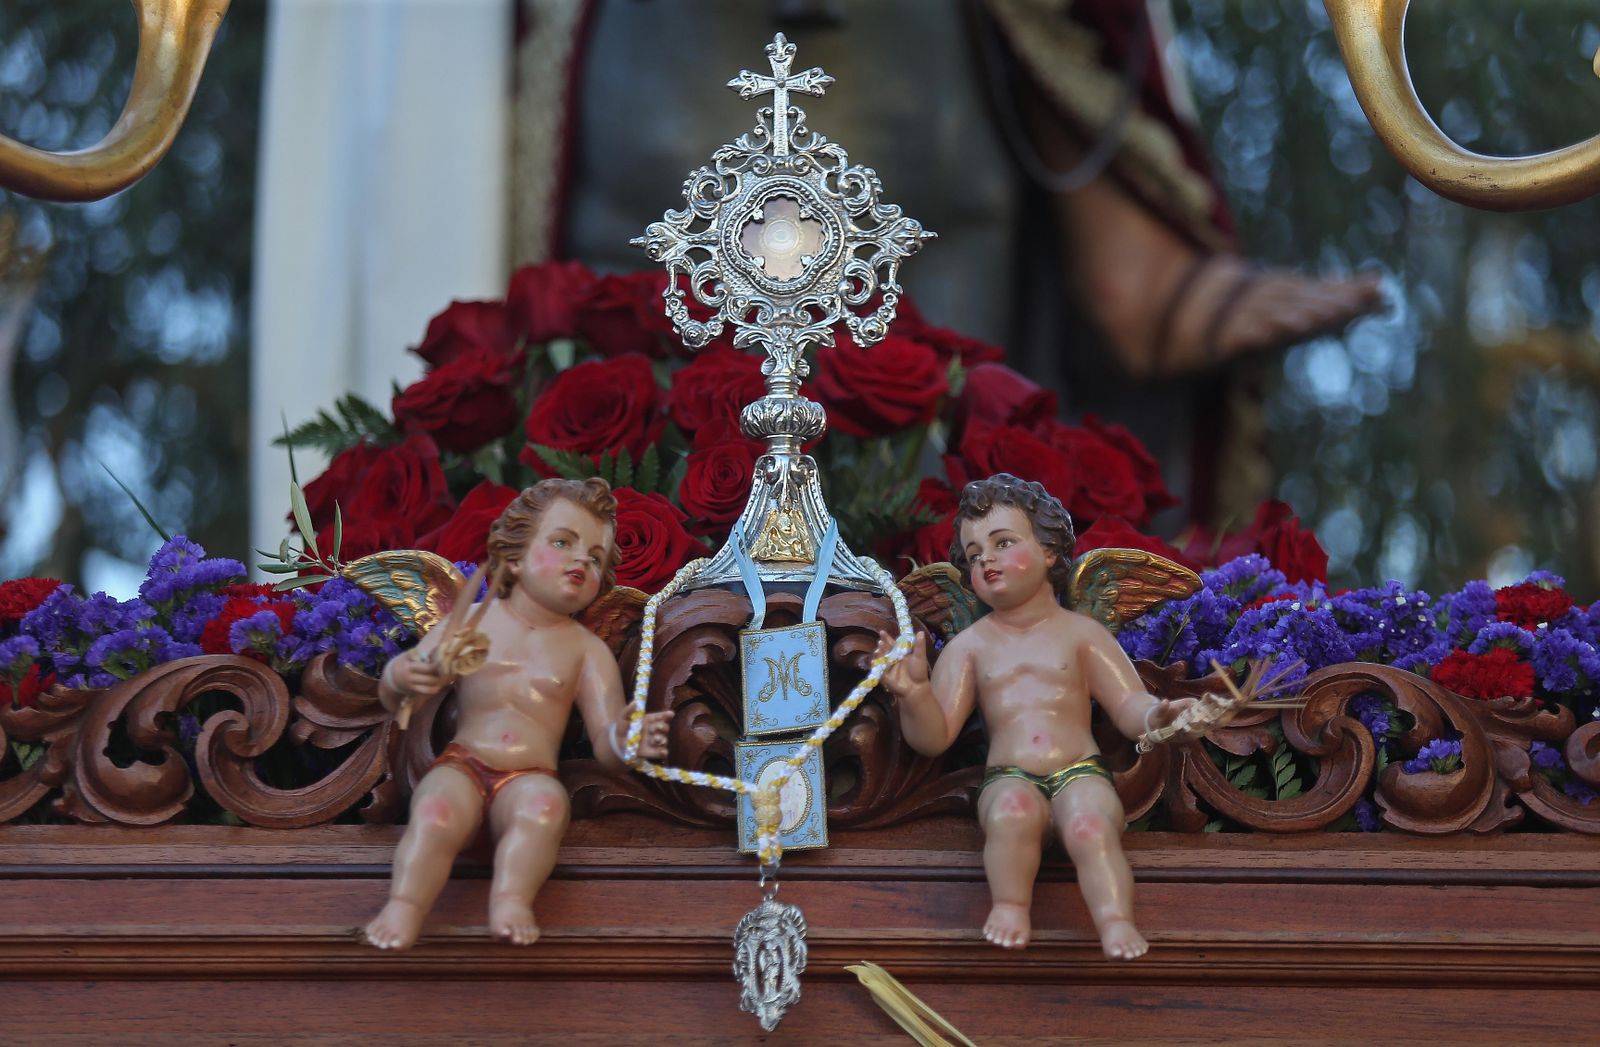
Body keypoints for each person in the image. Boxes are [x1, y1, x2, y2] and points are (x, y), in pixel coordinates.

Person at [873, 473, 1197, 959]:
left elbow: (1128, 703)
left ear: (1049, 551)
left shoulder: (1081, 634)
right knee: (1011, 814)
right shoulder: (969, 646)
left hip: (1082, 772)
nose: (987, 560)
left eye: (1003, 543)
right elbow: (934, 737)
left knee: (1089, 824)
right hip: (1009, 776)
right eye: (975, 552)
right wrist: (914, 692)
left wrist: (1162, 715)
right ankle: (1008, 904)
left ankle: (1114, 919)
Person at [363, 477, 672, 950]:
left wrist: (626, 740)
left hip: (529, 776)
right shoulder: (472, 620)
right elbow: (402, 683)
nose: (580, 562)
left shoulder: (586, 651)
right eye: (563, 542)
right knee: (435, 808)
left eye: (595, 557)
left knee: (546, 808)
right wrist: (404, 678)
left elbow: (605, 737)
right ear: (513, 555)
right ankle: (404, 905)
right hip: (463, 763)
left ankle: (511, 898)